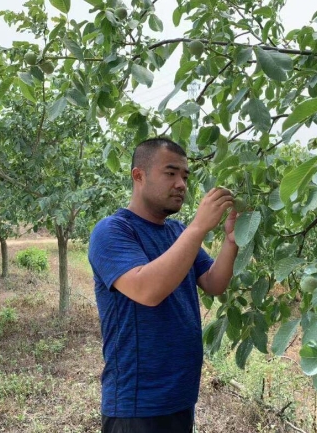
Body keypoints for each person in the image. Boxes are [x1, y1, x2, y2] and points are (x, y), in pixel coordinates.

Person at [88, 137, 240, 433]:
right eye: (170, 173)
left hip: (179, 396)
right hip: (137, 405)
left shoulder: (177, 232)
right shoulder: (113, 230)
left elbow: (214, 282)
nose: (181, 184)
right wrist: (198, 227)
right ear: (139, 176)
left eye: (184, 175)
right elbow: (147, 290)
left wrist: (232, 240)